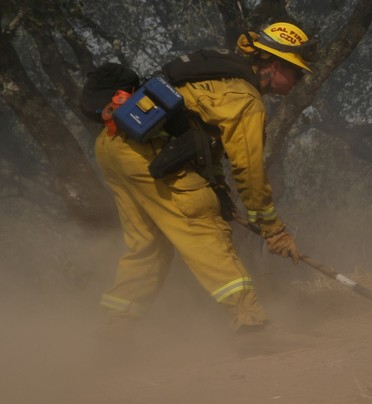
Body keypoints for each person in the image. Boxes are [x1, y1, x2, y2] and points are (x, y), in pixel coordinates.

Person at [92, 22, 311, 343]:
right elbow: (249, 171)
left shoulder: (219, 77)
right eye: (297, 73)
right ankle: (251, 324)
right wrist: (273, 230)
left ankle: (111, 335)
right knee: (203, 223)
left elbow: (202, 144)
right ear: (275, 66)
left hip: (114, 146)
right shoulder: (246, 98)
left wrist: (219, 190)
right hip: (146, 155)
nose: (298, 82)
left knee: (148, 247)